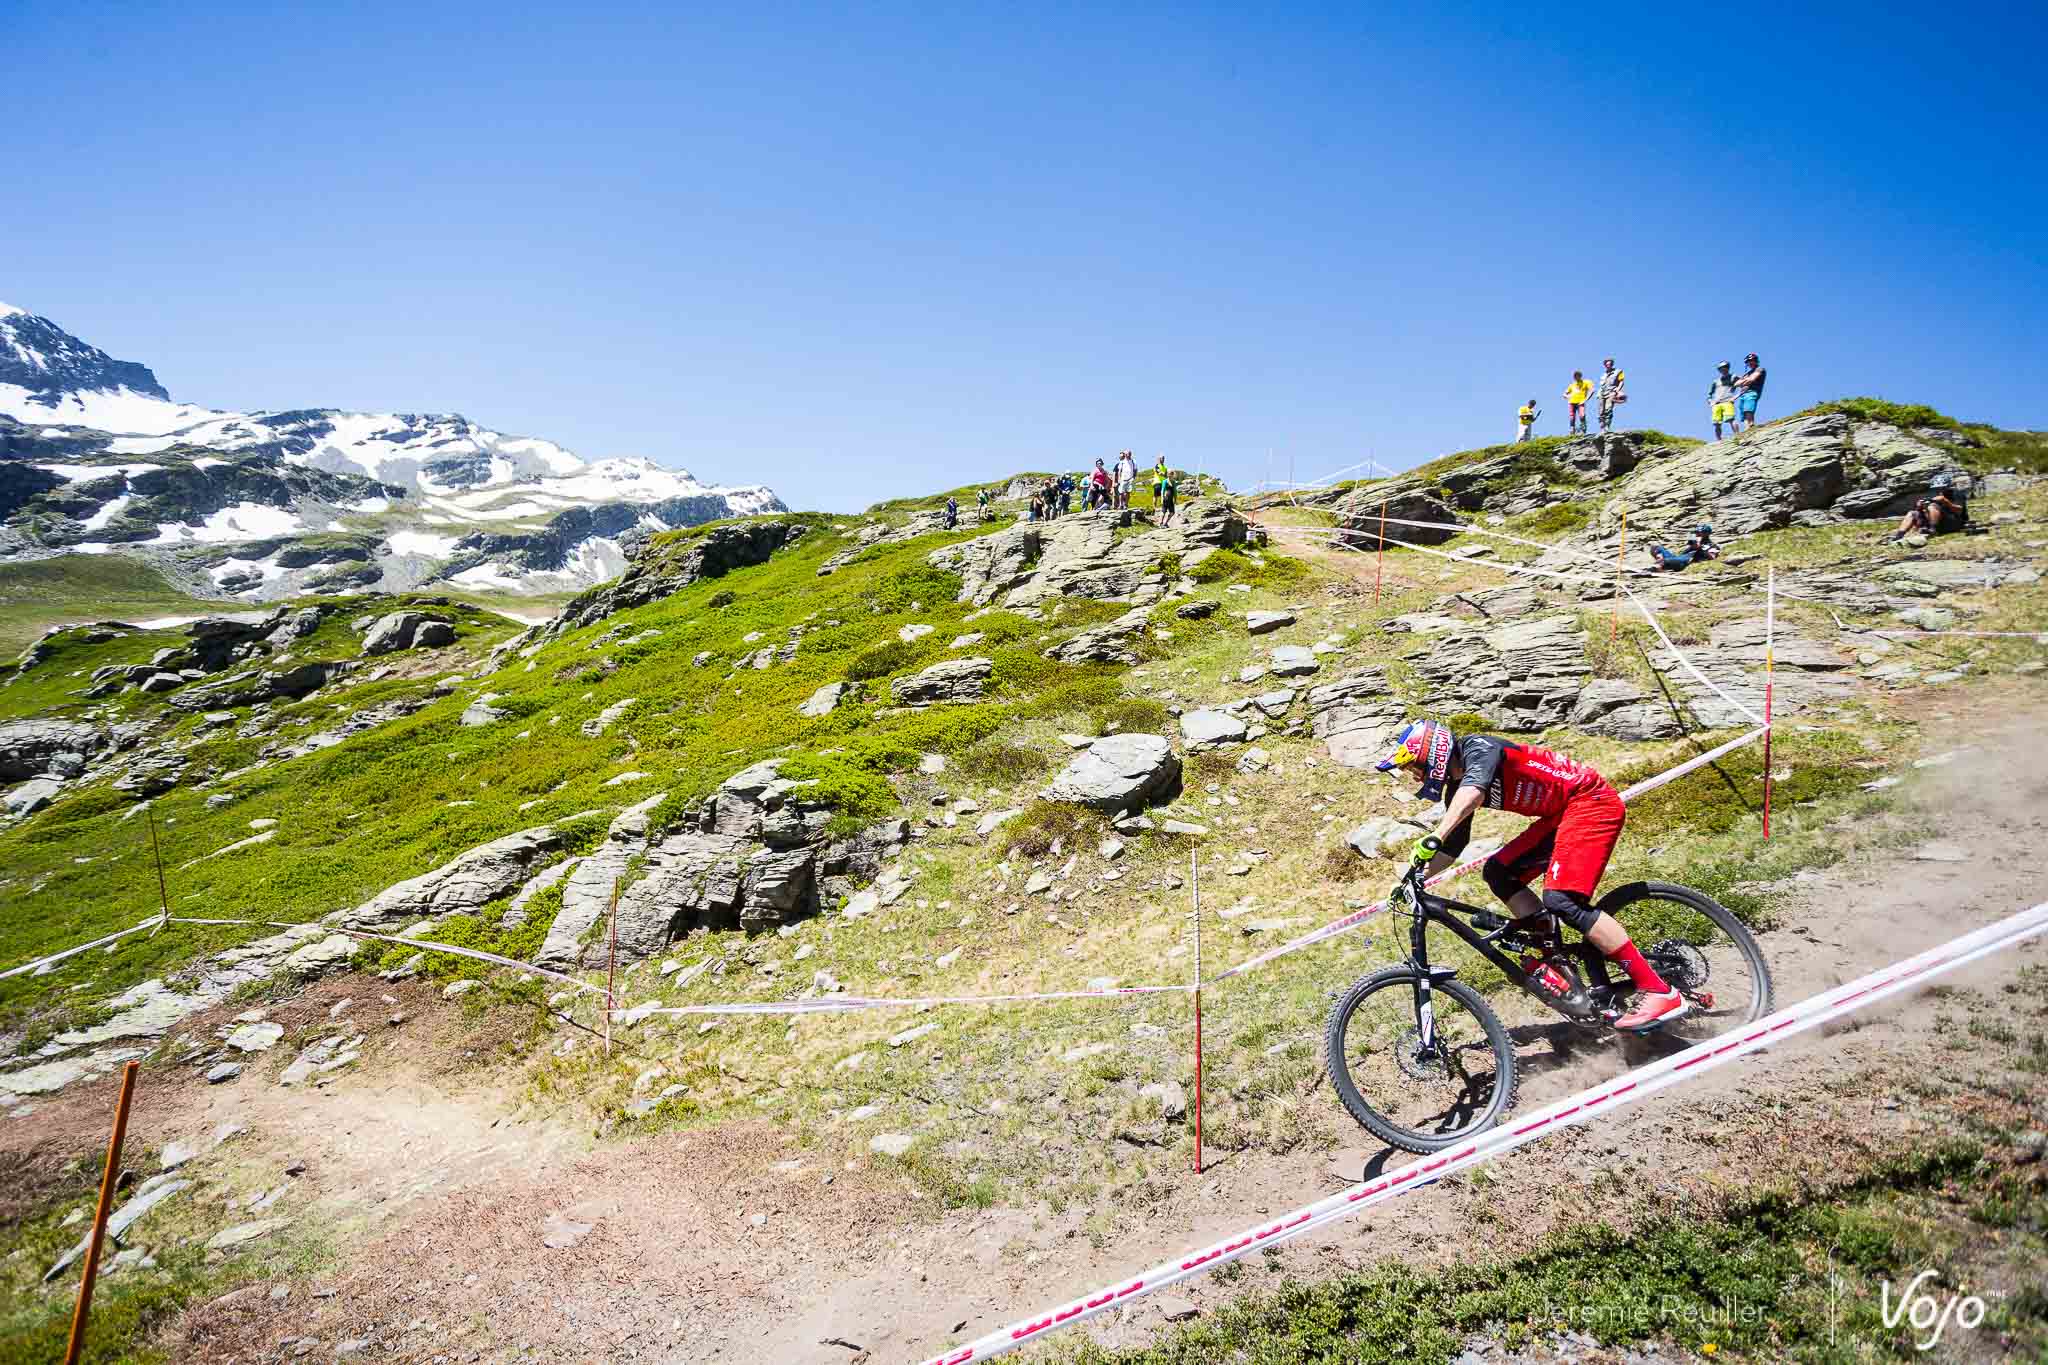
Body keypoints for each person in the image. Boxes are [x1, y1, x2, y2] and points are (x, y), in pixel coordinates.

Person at [1375, 719, 1689, 1032]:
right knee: (1498, 873)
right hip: (1562, 814)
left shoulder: (1478, 749)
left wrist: (1437, 833)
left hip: (1590, 802)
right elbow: (1452, 848)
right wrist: (1411, 879)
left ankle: (1660, 992)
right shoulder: (1457, 789)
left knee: (1563, 900)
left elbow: (1474, 791)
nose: (1415, 775)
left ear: (1433, 752)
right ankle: (1555, 957)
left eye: (1414, 766)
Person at [1889, 474, 1970, 541]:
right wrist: (1919, 507)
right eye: (1937, 488)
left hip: (1955, 522)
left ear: (1948, 486)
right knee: (1912, 513)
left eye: (1942, 488)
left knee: (1933, 506)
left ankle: (1932, 530)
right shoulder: (1934, 495)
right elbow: (1924, 511)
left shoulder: (1956, 493)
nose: (1939, 490)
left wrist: (1945, 501)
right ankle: (1899, 536)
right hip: (1940, 523)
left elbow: (1959, 510)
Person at [1648, 523, 1721, 571]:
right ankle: (1660, 566)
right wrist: (1694, 540)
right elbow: (1692, 543)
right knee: (1655, 547)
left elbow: (1712, 557)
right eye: (1696, 532)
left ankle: (1658, 567)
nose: (1697, 535)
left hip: (1685, 562)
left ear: (1706, 534)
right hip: (1678, 558)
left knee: (1664, 561)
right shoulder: (1694, 542)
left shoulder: (1712, 545)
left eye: (1699, 533)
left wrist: (1701, 549)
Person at [1733, 353, 1765, 432]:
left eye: (1751, 360)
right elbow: (1736, 384)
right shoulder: (1747, 374)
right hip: (1743, 394)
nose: (1750, 363)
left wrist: (1742, 381)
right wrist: (1744, 381)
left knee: (1748, 409)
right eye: (1748, 361)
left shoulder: (1760, 369)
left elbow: (1751, 379)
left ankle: (1751, 426)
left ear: (1756, 361)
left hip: (1752, 392)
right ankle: (1747, 429)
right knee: (1743, 412)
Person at [1708, 362, 1739, 441]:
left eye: (1725, 368)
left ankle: (1737, 435)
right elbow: (1709, 394)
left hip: (1727, 401)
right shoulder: (1716, 381)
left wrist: (1736, 396)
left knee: (1731, 419)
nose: (1723, 370)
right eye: (1721, 369)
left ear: (1728, 368)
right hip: (1716, 403)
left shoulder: (1733, 377)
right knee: (1716, 423)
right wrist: (1711, 402)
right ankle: (1719, 440)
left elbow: (1744, 384)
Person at [1596, 358, 1626, 433]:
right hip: (1602, 393)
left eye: (1610, 364)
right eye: (1607, 364)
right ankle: (1602, 428)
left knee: (1608, 409)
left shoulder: (1618, 371)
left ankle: (1607, 427)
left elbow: (1621, 381)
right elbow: (1601, 385)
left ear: (1612, 364)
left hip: (1611, 392)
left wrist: (1618, 390)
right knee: (1600, 411)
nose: (1608, 365)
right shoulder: (1604, 374)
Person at [1563, 371, 1592, 436]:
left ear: (1580, 376)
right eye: (1575, 376)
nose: (1576, 377)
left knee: (1582, 415)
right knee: (1572, 417)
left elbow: (1592, 390)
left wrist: (1586, 399)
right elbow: (1564, 394)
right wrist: (1567, 396)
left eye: (1578, 375)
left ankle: (1583, 429)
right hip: (1572, 402)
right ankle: (1572, 431)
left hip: (1580, 402)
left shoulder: (1585, 382)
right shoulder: (1572, 385)